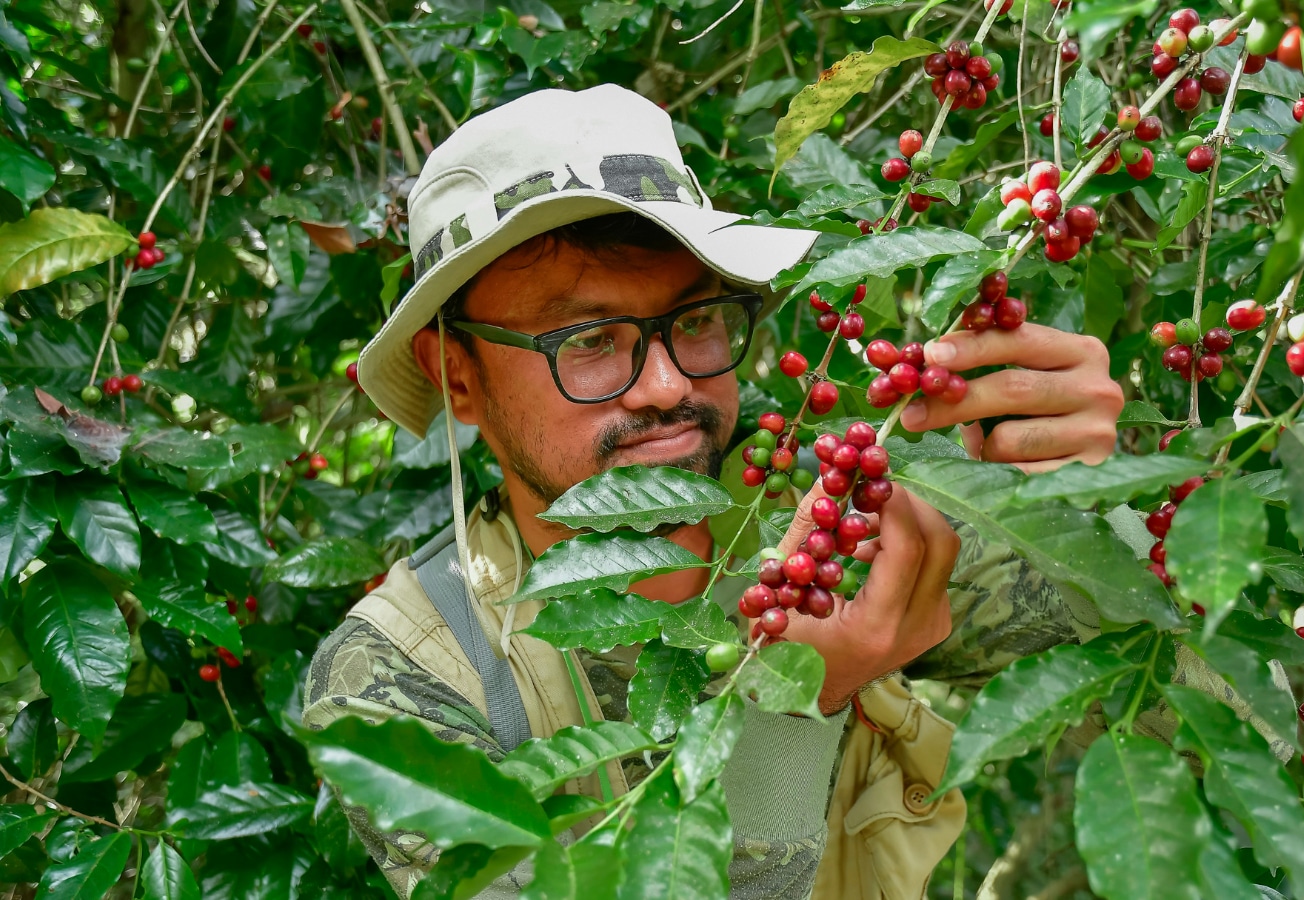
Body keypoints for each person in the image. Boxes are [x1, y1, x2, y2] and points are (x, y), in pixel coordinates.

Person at [302, 84, 1124, 899]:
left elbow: (1173, 652)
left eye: (695, 322)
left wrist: (1088, 499)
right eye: (589, 341)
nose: (664, 384)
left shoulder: (836, 530)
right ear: (458, 375)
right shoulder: (403, 675)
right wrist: (796, 701)